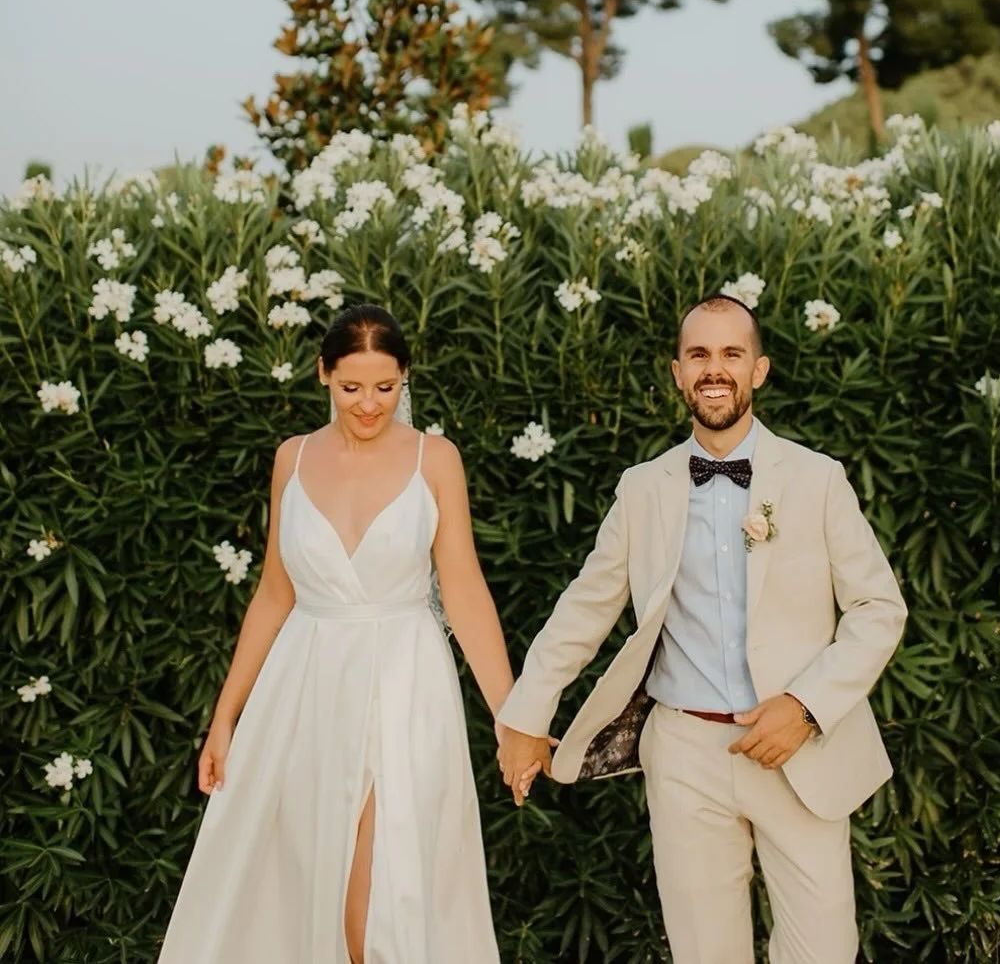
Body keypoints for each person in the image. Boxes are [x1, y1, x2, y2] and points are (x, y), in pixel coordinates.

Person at [497, 293, 908, 964]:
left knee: (825, 950)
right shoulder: (642, 488)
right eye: (699, 355)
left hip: (795, 750)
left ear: (759, 370)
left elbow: (879, 610)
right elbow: (586, 608)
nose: (714, 369)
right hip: (684, 752)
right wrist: (524, 716)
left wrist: (806, 708)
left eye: (730, 354)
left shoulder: (818, 478)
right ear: (678, 373)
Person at [159, 303, 510, 964]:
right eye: (352, 387)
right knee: (297, 885)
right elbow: (272, 593)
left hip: (405, 686)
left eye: (386, 387)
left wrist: (509, 718)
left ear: (405, 378)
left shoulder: (436, 461)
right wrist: (224, 718)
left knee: (382, 894)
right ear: (322, 374)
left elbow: (463, 590)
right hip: (304, 690)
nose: (370, 404)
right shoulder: (291, 460)